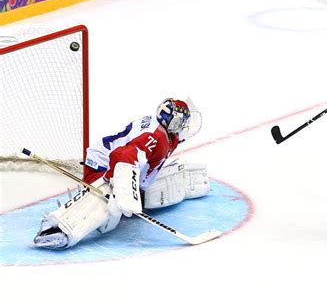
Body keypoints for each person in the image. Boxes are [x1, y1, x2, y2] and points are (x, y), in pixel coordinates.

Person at [33, 98, 209, 249]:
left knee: (123, 202)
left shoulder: (167, 134)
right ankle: (60, 228)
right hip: (103, 165)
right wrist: (121, 189)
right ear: (174, 121)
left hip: (117, 162)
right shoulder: (155, 137)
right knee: (109, 207)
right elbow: (122, 155)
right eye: (181, 121)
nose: (183, 126)